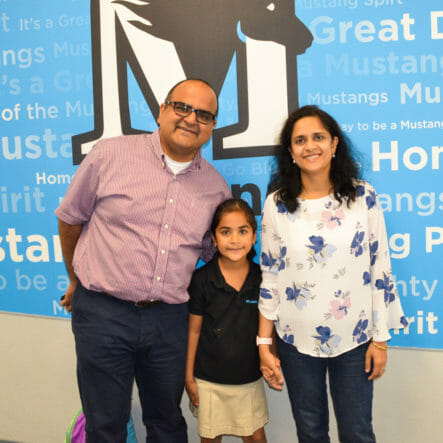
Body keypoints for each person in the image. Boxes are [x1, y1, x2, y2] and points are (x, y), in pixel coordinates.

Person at [55, 78, 231, 443]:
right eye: (182, 107)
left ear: (212, 126)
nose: (190, 119)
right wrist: (75, 279)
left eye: (203, 114)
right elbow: (71, 218)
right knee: (105, 424)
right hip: (103, 314)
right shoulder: (110, 154)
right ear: (162, 110)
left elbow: (210, 254)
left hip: (168, 322)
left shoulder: (217, 188)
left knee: (167, 422)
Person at [257, 105, 407, 442]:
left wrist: (380, 340)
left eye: (318, 137)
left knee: (357, 433)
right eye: (300, 140)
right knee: (310, 433)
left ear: (334, 143)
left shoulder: (363, 196)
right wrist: (264, 342)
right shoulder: (277, 204)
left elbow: (380, 267)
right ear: (291, 152)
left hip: (356, 339)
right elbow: (271, 276)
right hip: (295, 342)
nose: (310, 146)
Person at [185, 199, 269, 443]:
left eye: (242, 231)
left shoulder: (263, 279)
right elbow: (193, 331)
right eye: (225, 232)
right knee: (210, 436)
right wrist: (188, 376)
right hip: (209, 380)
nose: (234, 240)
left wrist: (272, 359)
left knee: (255, 436)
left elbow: (268, 329)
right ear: (213, 238)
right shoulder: (202, 279)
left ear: (254, 236)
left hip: (248, 378)